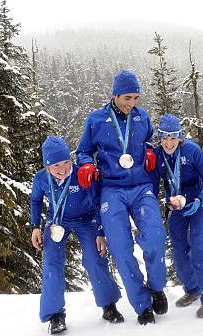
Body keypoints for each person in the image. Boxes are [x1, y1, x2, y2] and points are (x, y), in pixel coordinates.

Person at [76, 70, 167, 325]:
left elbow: (149, 140)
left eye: (136, 98)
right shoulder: (96, 120)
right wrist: (85, 165)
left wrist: (149, 150)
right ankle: (142, 305)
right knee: (121, 248)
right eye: (128, 97)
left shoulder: (142, 117)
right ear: (115, 94)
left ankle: (157, 287)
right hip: (112, 190)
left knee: (156, 236)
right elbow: (83, 152)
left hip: (140, 187)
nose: (132, 103)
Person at [30, 136, 123, 334]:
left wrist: (100, 232)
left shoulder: (81, 174)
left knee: (94, 258)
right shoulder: (40, 178)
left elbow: (97, 201)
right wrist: (35, 226)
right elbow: (36, 201)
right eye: (56, 165)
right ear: (47, 166)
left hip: (86, 218)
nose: (62, 168)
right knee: (51, 263)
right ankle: (55, 315)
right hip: (56, 221)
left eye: (65, 162)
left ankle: (108, 305)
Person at [154, 114, 203, 318]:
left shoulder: (191, 150)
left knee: (201, 245)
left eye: (173, 137)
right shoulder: (158, 156)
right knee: (179, 249)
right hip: (175, 206)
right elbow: (153, 183)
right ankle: (192, 290)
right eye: (164, 137)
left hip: (197, 204)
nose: (168, 142)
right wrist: (164, 202)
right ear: (160, 137)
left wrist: (201, 199)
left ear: (180, 137)